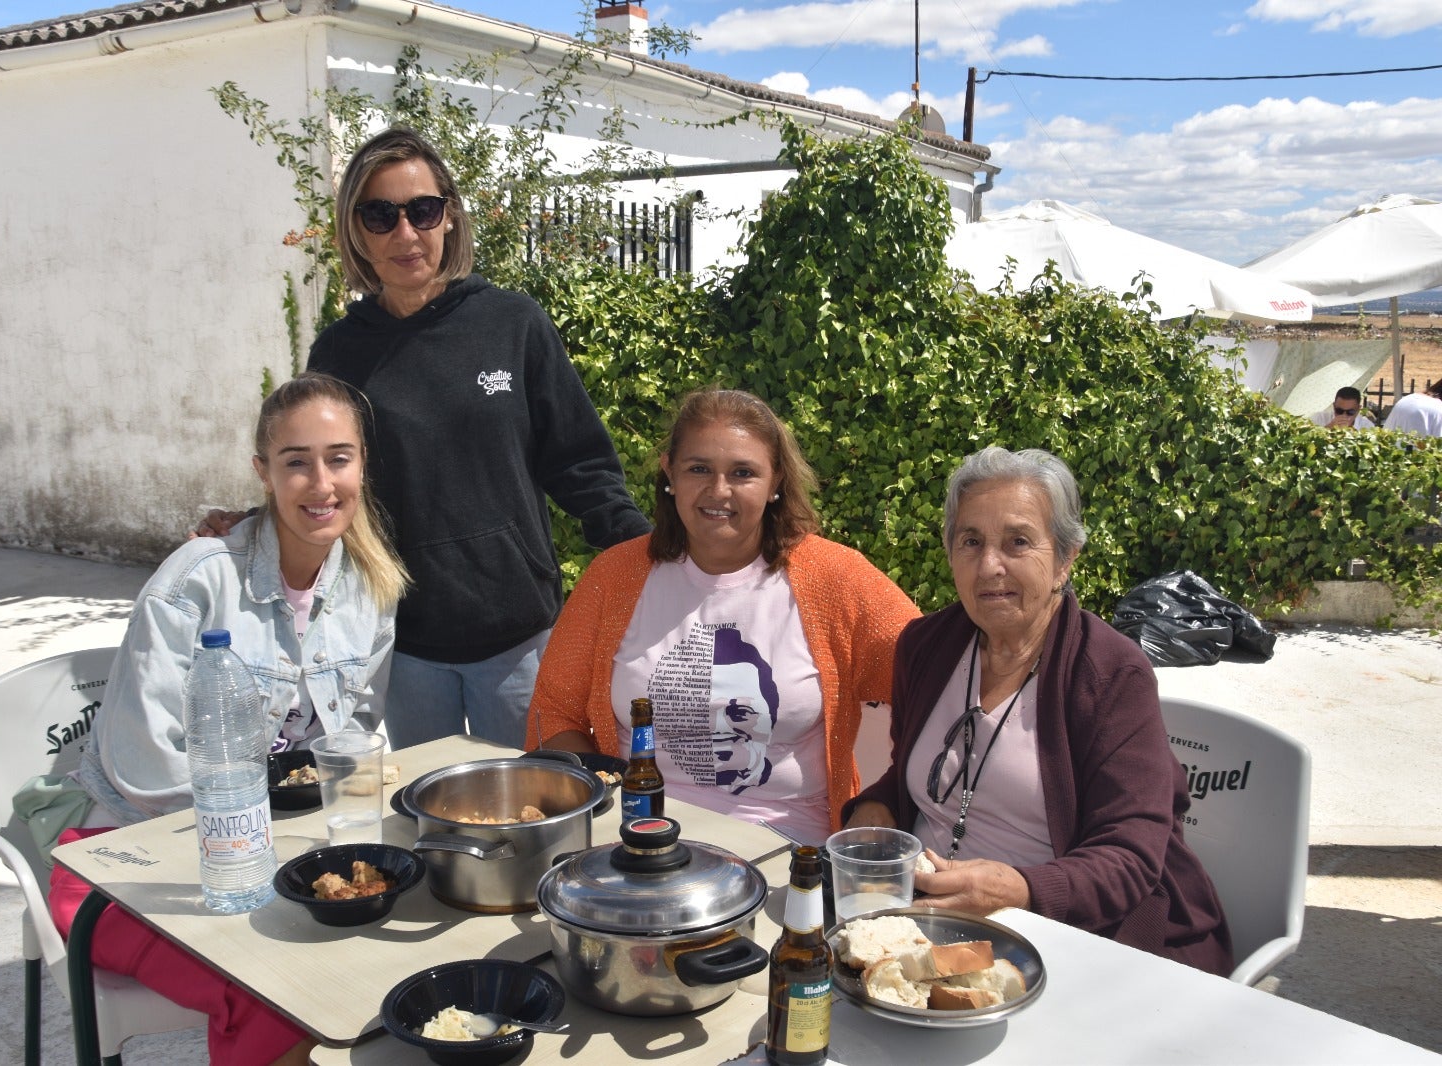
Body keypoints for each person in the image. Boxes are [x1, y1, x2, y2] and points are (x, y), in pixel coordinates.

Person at [198, 126, 648, 750]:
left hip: (519, 638)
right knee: (434, 828)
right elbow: (328, 479)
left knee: (537, 817)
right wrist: (253, 526)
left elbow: (581, 465)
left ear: (450, 216)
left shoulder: (512, 324)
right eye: (380, 215)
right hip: (402, 642)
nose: (405, 234)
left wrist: (653, 554)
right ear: (355, 230)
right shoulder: (340, 353)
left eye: (423, 211)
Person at [45, 372, 409, 1066]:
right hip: (122, 870)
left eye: (339, 458)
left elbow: (347, 744)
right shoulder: (196, 580)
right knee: (273, 991)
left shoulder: (370, 589)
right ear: (263, 474)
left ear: (363, 466)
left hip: (269, 859)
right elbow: (145, 767)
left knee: (383, 946)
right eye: (296, 462)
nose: (320, 482)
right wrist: (265, 849)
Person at [842, 446, 1232, 974]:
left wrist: (1020, 888)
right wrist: (876, 813)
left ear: (1065, 558)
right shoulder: (925, 646)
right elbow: (920, 772)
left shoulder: (1113, 675)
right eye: (970, 542)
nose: (989, 566)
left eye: (1018, 542)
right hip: (926, 920)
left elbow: (1132, 857)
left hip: (1066, 930)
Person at [528, 388, 921, 844]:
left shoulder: (837, 579)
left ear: (776, 483)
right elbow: (553, 714)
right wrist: (602, 801)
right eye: (698, 469)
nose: (719, 491)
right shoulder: (613, 577)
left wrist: (882, 802)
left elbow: (937, 684)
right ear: (669, 473)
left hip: (787, 849)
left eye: (743, 473)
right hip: (637, 839)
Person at [1310, 386, 1375, 429]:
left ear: (1358, 409)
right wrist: (1329, 427)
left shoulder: (1367, 426)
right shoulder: (1319, 418)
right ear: (1334, 406)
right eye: (1339, 411)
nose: (1344, 415)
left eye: (1350, 412)